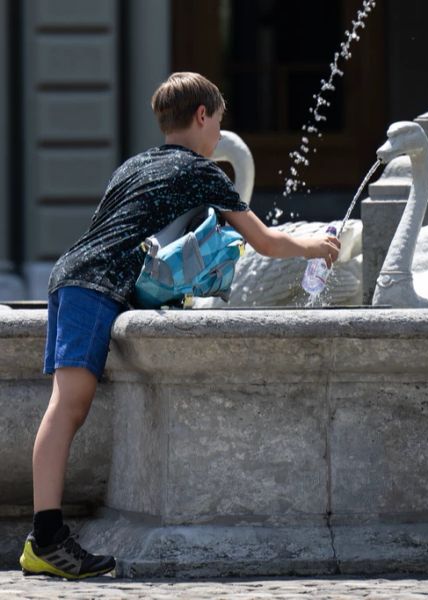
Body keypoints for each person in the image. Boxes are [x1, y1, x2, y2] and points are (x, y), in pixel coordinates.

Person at [19, 72, 340, 579]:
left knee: (67, 404)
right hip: (96, 284)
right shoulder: (203, 170)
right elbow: (265, 242)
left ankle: (46, 537)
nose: (217, 134)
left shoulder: (135, 163)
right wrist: (318, 247)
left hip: (72, 274)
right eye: (218, 122)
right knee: (68, 406)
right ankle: (47, 537)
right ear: (201, 116)